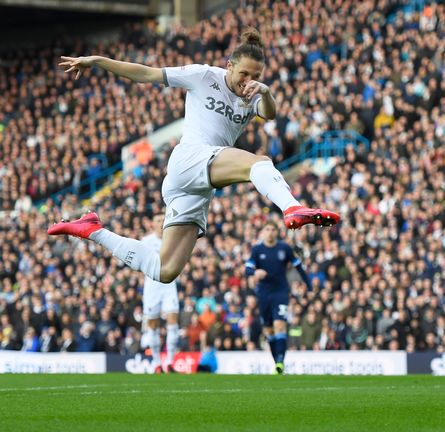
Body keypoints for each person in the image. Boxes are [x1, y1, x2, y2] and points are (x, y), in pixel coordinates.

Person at [47, 28, 340, 287]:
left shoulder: (253, 97)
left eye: (256, 77)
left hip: (196, 185)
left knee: (165, 270)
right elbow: (146, 73)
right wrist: (97, 61)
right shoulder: (204, 75)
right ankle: (292, 208)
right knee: (260, 163)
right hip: (189, 159)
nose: (248, 81)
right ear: (229, 66)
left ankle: (92, 230)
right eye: (244, 74)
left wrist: (264, 90)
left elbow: (270, 113)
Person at [245, 221, 311, 374]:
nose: (270, 232)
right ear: (263, 232)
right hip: (263, 294)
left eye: (273, 229)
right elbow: (247, 268)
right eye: (267, 229)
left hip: (280, 292)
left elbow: (298, 266)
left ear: (277, 232)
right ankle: (277, 363)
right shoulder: (257, 250)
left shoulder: (284, 248)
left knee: (280, 325)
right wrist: (255, 273)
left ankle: (280, 361)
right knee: (269, 330)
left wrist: (308, 284)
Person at [140, 213, 180, 373]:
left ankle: (170, 361)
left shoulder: (173, 239)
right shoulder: (146, 242)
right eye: (158, 220)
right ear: (152, 224)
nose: (161, 223)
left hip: (169, 285)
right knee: (153, 325)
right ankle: (157, 363)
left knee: (173, 322)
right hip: (152, 287)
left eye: (163, 220)